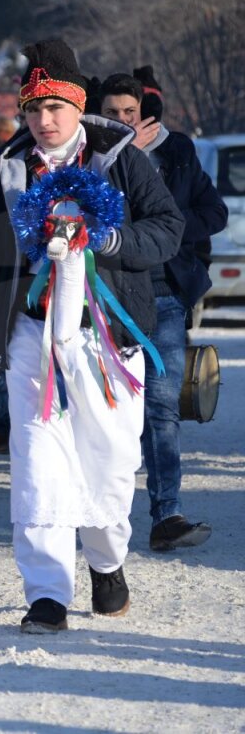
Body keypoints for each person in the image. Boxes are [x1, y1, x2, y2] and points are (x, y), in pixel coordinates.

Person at [0, 39, 184, 634]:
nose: (44, 120)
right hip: (32, 338)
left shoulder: (121, 158)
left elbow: (168, 229)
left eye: (56, 107)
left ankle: (107, 561)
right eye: (33, 108)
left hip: (107, 336)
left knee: (109, 460)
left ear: (78, 105)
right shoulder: (4, 171)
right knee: (38, 465)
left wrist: (111, 243)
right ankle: (47, 594)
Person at [99, 71, 226, 552]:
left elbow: (213, 213)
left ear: (144, 112)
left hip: (165, 294)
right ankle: (99, 517)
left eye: (129, 113)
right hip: (106, 294)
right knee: (104, 410)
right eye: (111, 113)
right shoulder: (88, 158)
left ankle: (166, 513)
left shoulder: (176, 151)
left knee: (162, 406)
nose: (121, 121)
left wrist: (167, 232)